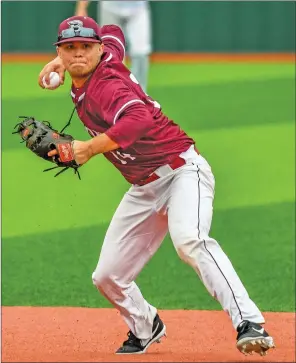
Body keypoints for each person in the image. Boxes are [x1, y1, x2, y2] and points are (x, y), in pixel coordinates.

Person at [38, 16, 275, 356]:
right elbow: (115, 31)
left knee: (190, 239)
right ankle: (145, 325)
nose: (78, 53)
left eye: (85, 47)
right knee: (107, 276)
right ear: (59, 49)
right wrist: (62, 64)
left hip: (182, 171)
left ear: (97, 50)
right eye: (69, 47)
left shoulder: (106, 86)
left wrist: (88, 148)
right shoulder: (108, 54)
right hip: (144, 186)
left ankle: (249, 322)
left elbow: (139, 119)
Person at [75, 0, 151, 92]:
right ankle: (117, 94)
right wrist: (81, 7)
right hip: (110, 7)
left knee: (141, 52)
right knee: (112, 55)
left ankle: (140, 96)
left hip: (138, 8)